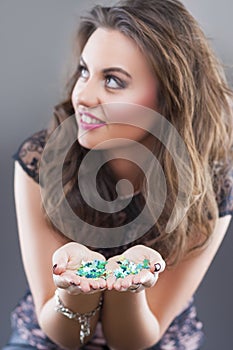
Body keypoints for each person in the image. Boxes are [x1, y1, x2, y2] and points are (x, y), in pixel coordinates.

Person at [4, 0, 233, 349]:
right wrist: (75, 288)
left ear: (168, 98)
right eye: (84, 71)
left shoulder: (211, 185)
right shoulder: (42, 159)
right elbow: (60, 333)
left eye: (112, 80)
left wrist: (130, 287)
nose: (82, 95)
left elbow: (136, 340)